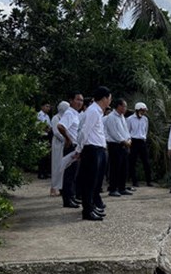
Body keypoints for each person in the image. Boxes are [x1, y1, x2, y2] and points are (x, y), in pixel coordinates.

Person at [76, 86, 112, 221]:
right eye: (109, 98)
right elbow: (85, 131)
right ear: (104, 98)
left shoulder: (98, 111)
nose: (110, 100)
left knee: (95, 181)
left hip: (98, 149)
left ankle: (91, 206)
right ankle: (87, 210)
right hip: (91, 149)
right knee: (89, 181)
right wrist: (79, 150)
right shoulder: (93, 111)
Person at [57, 92, 82, 208]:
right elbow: (60, 126)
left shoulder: (76, 114)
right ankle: (67, 199)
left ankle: (72, 197)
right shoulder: (69, 113)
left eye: (81, 101)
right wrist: (68, 138)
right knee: (69, 173)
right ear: (71, 101)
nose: (80, 103)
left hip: (76, 146)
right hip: (71, 147)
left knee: (73, 174)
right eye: (77, 100)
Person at [104, 98, 133, 197]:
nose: (125, 108)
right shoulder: (111, 117)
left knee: (124, 167)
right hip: (115, 144)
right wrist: (124, 141)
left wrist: (129, 139)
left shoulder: (122, 117)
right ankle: (113, 188)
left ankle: (122, 187)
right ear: (119, 106)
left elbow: (126, 130)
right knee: (115, 168)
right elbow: (113, 133)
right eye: (124, 106)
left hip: (124, 145)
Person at [127, 102, 152, 187]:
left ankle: (149, 181)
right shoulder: (130, 119)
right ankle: (134, 181)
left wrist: (144, 138)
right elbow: (128, 131)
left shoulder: (145, 119)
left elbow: (146, 130)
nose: (144, 112)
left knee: (146, 162)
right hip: (133, 141)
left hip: (142, 141)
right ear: (138, 110)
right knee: (133, 162)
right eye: (143, 110)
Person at [50, 101, 68, 197]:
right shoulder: (55, 118)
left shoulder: (65, 118)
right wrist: (65, 139)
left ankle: (61, 187)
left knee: (63, 165)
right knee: (56, 164)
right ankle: (54, 187)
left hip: (64, 143)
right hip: (58, 143)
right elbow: (56, 132)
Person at [36, 102, 52, 179]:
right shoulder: (39, 115)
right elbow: (41, 126)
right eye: (46, 106)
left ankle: (45, 172)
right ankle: (41, 173)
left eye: (49, 107)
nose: (48, 108)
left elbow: (49, 126)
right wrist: (46, 128)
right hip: (41, 136)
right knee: (41, 155)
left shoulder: (47, 116)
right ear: (42, 107)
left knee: (47, 155)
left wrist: (48, 128)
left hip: (46, 136)